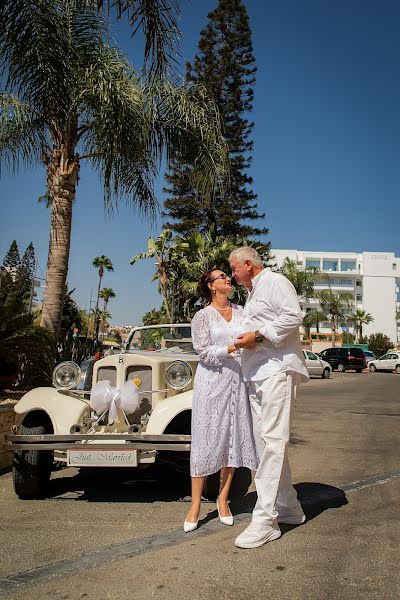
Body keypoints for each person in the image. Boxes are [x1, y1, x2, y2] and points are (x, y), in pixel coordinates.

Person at [229, 247, 309, 549]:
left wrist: (257, 336)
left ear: (248, 265)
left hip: (277, 371)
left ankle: (265, 520)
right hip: (257, 374)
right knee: (265, 444)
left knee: (272, 442)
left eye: (234, 268)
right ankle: (289, 508)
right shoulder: (253, 293)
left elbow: (293, 316)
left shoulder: (275, 281)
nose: (233, 274)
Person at [184, 269, 258, 532]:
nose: (227, 278)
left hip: (237, 383)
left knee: (231, 441)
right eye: (221, 277)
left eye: (228, 275)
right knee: (204, 442)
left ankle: (223, 500)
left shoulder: (242, 312)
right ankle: (194, 505)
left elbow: (254, 338)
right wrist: (233, 348)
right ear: (211, 286)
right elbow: (203, 352)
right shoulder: (202, 316)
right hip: (211, 384)